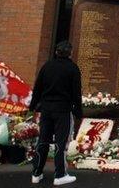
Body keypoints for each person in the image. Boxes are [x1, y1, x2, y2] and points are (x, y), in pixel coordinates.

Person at [29, 41, 83, 186]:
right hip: (63, 110)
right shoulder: (73, 68)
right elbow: (76, 93)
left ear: (56, 52)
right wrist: (78, 112)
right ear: (70, 53)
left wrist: (33, 106)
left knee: (43, 141)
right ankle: (60, 175)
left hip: (46, 109)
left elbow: (37, 88)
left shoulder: (47, 67)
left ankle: (36, 173)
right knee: (61, 143)